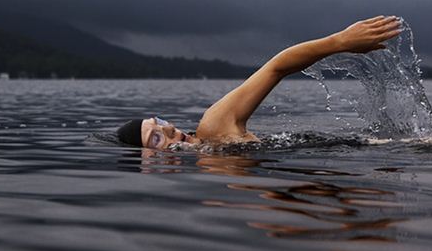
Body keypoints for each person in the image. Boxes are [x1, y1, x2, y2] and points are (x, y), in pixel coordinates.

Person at [117, 15, 402, 150]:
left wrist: (339, 42)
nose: (169, 129)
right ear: (150, 162)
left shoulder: (213, 127)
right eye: (156, 137)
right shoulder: (210, 161)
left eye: (160, 122)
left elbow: (276, 67)